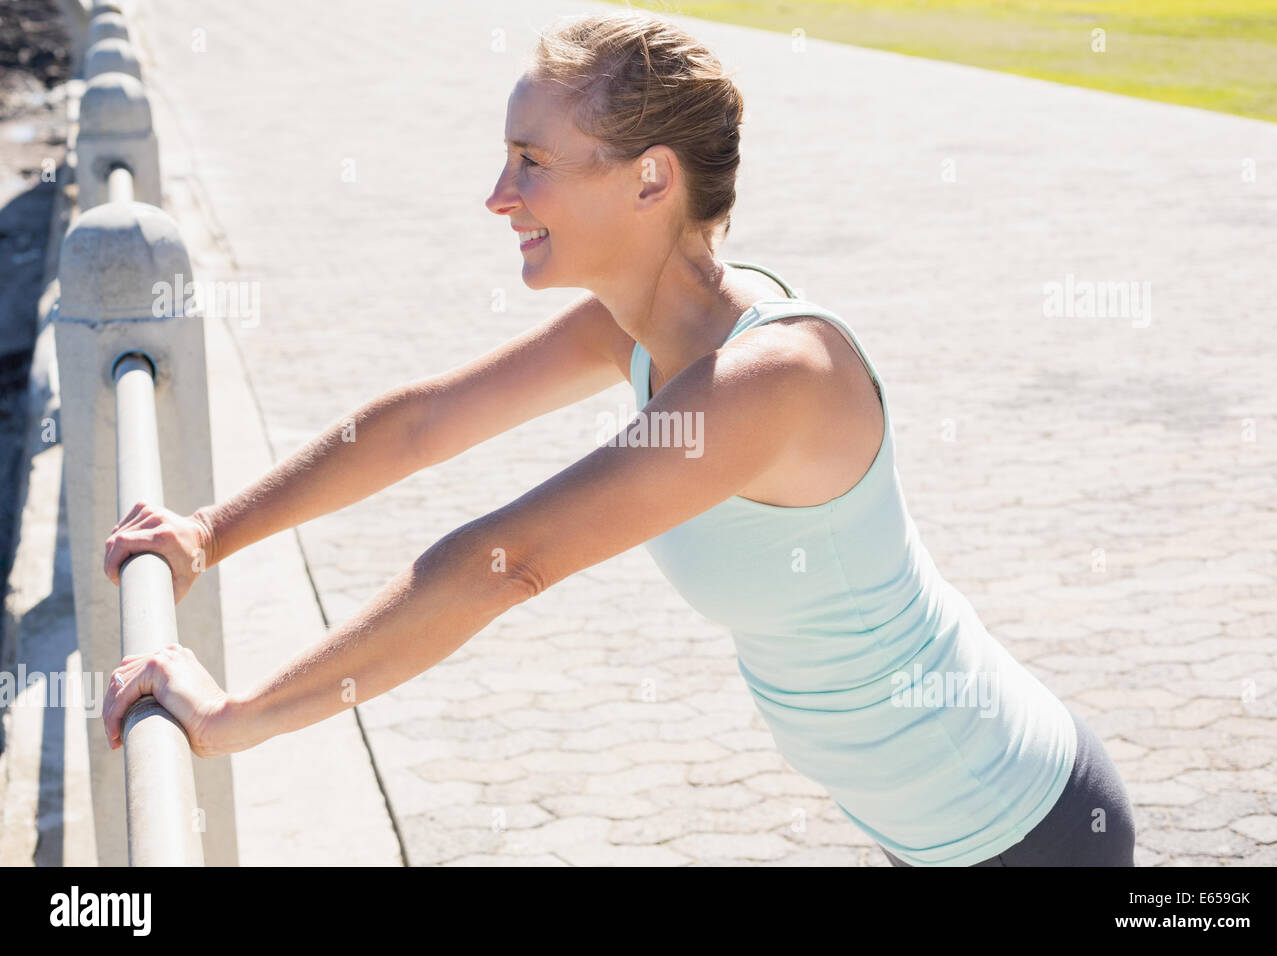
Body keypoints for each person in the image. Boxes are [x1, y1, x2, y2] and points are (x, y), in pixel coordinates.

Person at [100, 10, 1135, 866]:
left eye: (532, 161)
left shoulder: (775, 377)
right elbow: (421, 422)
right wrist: (203, 533)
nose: (499, 195)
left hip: (1023, 827)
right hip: (926, 824)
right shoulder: (635, 324)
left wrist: (236, 717)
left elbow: (499, 565)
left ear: (651, 179)